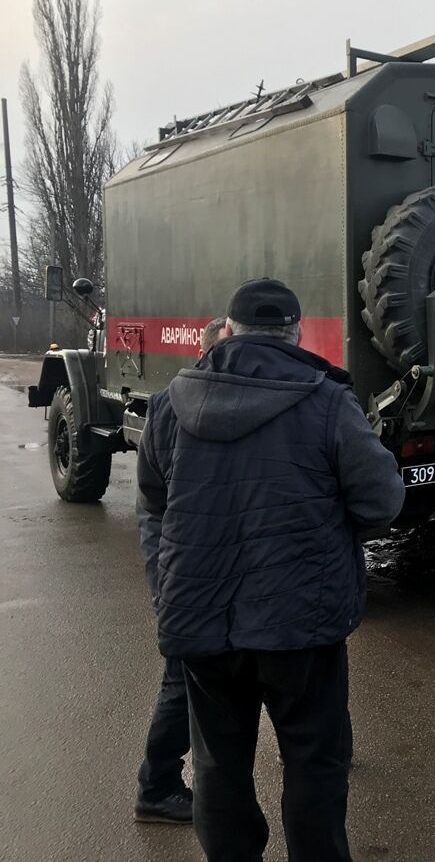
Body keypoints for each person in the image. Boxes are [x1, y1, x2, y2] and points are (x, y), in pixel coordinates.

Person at [136, 278, 404, 860]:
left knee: (218, 766)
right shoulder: (327, 402)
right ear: (295, 333)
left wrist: (170, 586)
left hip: (202, 624)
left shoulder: (169, 405)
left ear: (228, 331)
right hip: (300, 624)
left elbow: (155, 505)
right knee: (315, 764)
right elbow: (382, 501)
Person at [133, 318, 229, 825]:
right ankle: (157, 787)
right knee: (182, 675)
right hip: (182, 570)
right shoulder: (176, 408)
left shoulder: (190, 405)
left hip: (190, 567)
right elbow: (155, 508)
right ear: (211, 354)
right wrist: (168, 586)